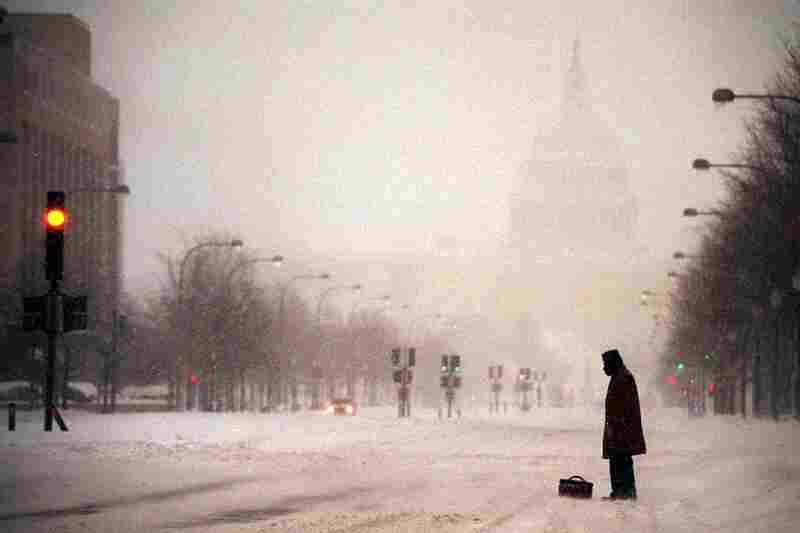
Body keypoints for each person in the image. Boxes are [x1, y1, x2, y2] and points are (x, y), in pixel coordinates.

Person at [601, 349, 646, 500]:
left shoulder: (623, 378)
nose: (604, 368)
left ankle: (625, 492)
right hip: (619, 428)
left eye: (605, 364)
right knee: (618, 460)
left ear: (613, 363)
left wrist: (617, 426)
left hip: (622, 429)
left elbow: (626, 407)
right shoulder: (619, 376)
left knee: (621, 460)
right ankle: (621, 491)